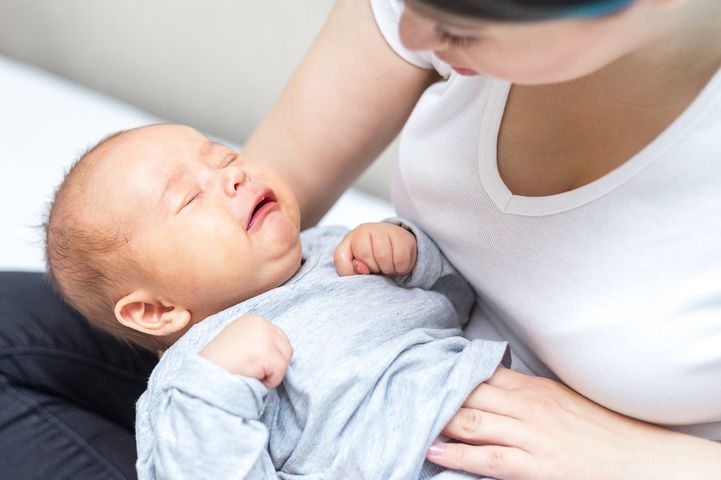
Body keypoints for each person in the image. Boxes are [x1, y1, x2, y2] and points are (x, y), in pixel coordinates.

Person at [1, 0, 720, 478]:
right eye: (194, 190)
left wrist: (648, 460)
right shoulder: (200, 381)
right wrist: (215, 382)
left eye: (457, 25)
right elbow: (272, 199)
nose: (410, 35)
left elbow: (434, 300)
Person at [44, 122, 509, 479]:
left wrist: (411, 254)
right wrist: (216, 388)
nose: (234, 177)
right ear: (156, 310)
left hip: (513, 435)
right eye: (187, 198)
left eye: (224, 158)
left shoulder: (335, 248)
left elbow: (462, 306)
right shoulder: (193, 384)